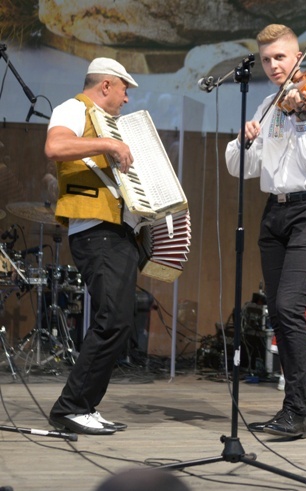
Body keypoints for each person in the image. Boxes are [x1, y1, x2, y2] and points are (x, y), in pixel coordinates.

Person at [225, 24, 306, 439]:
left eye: (281, 58)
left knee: (290, 306)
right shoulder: (266, 105)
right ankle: (301, 413)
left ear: (297, 58)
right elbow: (242, 168)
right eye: (267, 59)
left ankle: (294, 409)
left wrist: (302, 117)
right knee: (278, 310)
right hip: (275, 212)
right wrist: (243, 139)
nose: (274, 66)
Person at [44, 58, 140, 436]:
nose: (127, 98)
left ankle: (83, 406)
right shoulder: (72, 108)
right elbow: (55, 146)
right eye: (124, 89)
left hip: (116, 230)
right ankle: (70, 407)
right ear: (105, 86)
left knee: (118, 322)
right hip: (94, 228)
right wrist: (109, 144)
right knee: (112, 319)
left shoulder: (107, 123)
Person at [272, 278, 306, 391]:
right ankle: (284, 377)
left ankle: (301, 378)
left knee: (303, 348)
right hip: (294, 305)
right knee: (288, 345)